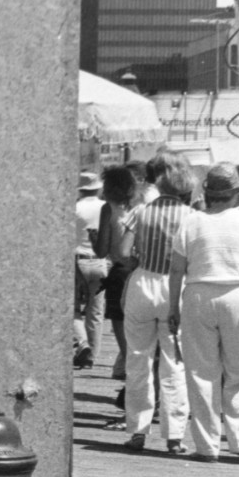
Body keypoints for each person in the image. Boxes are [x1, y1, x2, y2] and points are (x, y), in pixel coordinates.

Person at [168, 162, 239, 462]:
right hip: (238, 294)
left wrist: (172, 306)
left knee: (202, 373)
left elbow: (177, 269)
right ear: (235, 193)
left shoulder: (192, 221)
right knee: (237, 371)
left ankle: (206, 446)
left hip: (198, 293)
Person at [120, 152, 193, 454]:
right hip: (175, 286)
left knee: (137, 359)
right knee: (174, 362)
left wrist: (140, 259)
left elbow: (123, 251)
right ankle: (174, 435)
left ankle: (137, 430)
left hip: (143, 281)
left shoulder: (141, 211)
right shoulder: (191, 216)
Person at [97, 165, 139, 385]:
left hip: (119, 273)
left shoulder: (108, 209)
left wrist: (97, 237)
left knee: (123, 340)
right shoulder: (139, 208)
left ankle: (130, 389)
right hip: (139, 272)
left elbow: (102, 250)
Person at [74, 171, 108, 369]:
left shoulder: (75, 208)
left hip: (77, 261)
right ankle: (92, 356)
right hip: (99, 262)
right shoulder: (105, 207)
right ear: (98, 187)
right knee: (96, 311)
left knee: (73, 308)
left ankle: (82, 343)